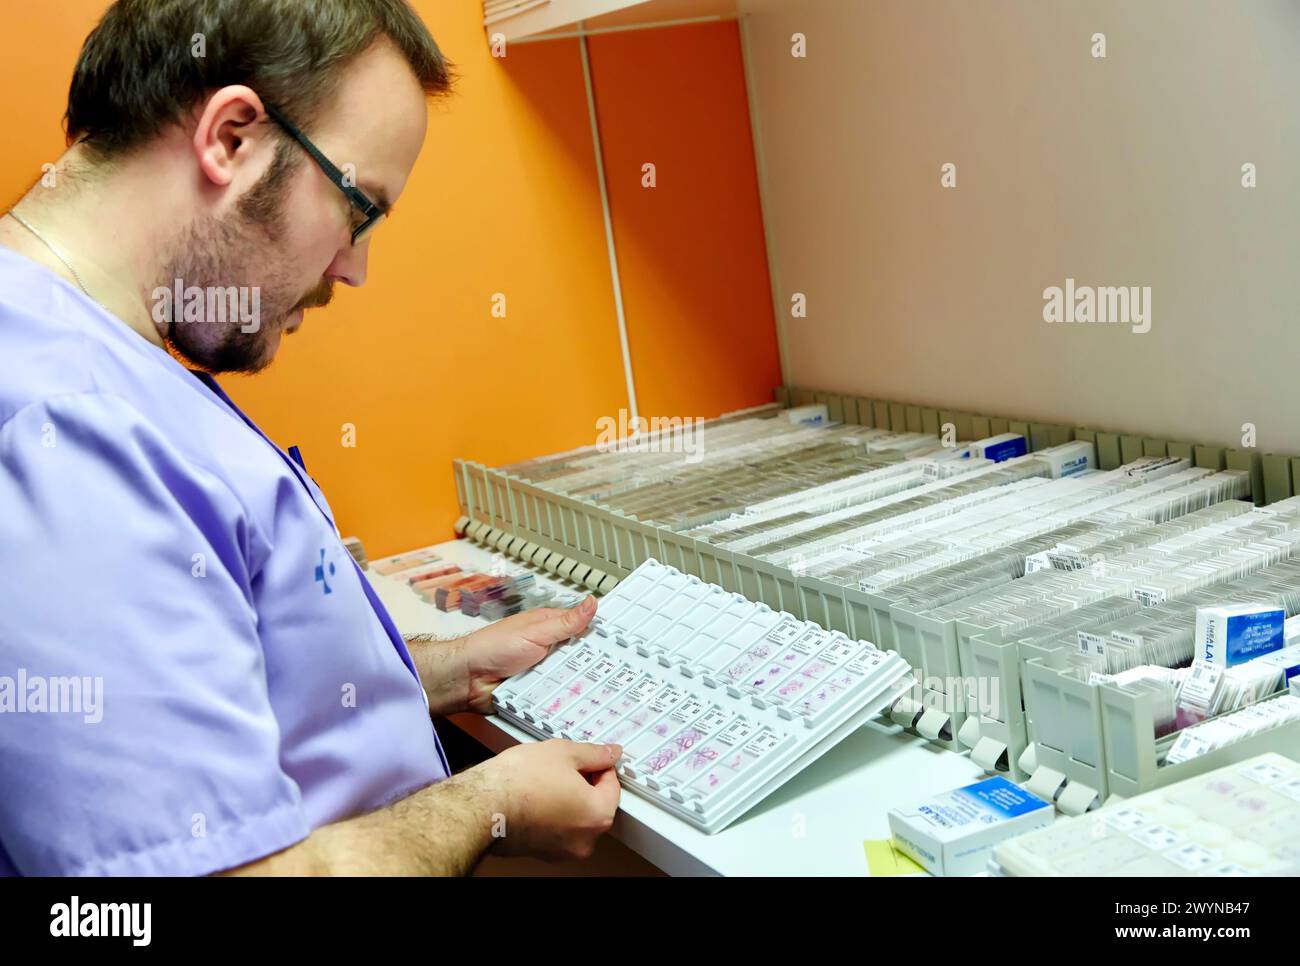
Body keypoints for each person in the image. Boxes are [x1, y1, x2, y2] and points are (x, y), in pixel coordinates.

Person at [0, 0, 621, 876]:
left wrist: (440, 672)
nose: (353, 268)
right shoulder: (65, 427)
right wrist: (491, 805)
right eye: (358, 207)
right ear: (234, 138)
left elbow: (208, 675)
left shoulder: (92, 350)